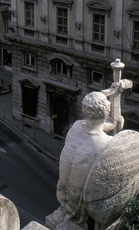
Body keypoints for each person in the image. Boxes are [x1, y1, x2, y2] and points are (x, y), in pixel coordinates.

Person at [52, 92, 116, 229]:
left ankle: (64, 213)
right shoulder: (105, 142)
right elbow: (112, 123)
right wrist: (115, 99)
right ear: (106, 113)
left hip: (62, 195)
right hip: (80, 208)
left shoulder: (76, 126)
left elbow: (103, 125)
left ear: (84, 110)